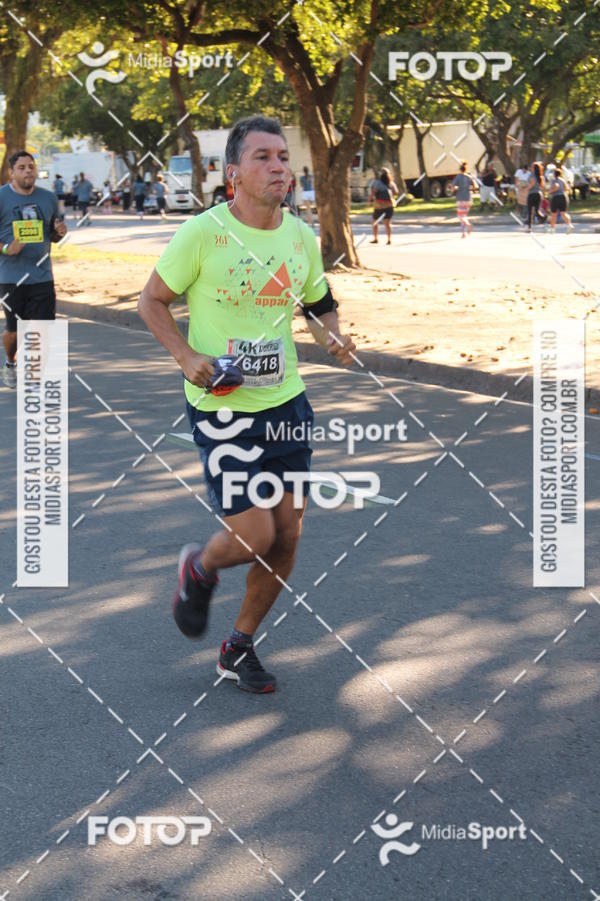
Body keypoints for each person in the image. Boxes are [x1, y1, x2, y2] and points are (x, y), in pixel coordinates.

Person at [138, 115, 356, 694]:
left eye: (283, 156)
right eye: (263, 157)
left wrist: (330, 334)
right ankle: (200, 567)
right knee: (254, 534)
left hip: (286, 405)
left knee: (287, 537)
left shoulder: (299, 237)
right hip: (223, 408)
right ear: (233, 172)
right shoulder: (202, 234)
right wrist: (186, 357)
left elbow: (317, 301)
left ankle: (238, 646)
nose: (279, 166)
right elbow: (152, 301)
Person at [1, 151, 67, 388]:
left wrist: (60, 233)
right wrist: (7, 248)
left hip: (42, 275)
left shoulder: (48, 198)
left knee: (43, 330)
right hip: (11, 277)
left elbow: (53, 232)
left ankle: (34, 379)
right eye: (22, 167)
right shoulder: (2, 197)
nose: (28, 170)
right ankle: (10, 361)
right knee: (14, 332)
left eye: (31, 166)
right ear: (12, 172)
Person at [369, 168, 398, 245]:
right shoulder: (391, 183)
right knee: (387, 223)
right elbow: (395, 192)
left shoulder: (378, 183)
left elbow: (373, 192)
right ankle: (389, 239)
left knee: (374, 221)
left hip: (379, 206)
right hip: (389, 205)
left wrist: (369, 202)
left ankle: (376, 238)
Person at [452, 161, 476, 238]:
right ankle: (463, 234)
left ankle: (467, 226)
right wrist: (470, 189)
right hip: (468, 198)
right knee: (464, 215)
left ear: (460, 169)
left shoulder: (458, 177)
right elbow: (475, 186)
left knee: (461, 216)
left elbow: (454, 187)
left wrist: (455, 189)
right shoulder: (469, 176)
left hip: (460, 199)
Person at [547, 167, 574, 234]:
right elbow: (566, 188)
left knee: (554, 214)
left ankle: (552, 229)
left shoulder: (554, 180)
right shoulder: (563, 180)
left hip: (556, 197)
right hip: (563, 197)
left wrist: (550, 191)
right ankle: (569, 225)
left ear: (554, 174)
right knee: (563, 213)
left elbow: (556, 186)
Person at [526, 162, 544, 232]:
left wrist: (525, 189)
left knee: (530, 211)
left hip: (532, 194)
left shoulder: (532, 175)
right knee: (537, 211)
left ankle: (529, 227)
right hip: (538, 194)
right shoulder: (540, 176)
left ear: (533, 168)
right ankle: (543, 218)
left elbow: (532, 183)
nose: (530, 168)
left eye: (531, 167)